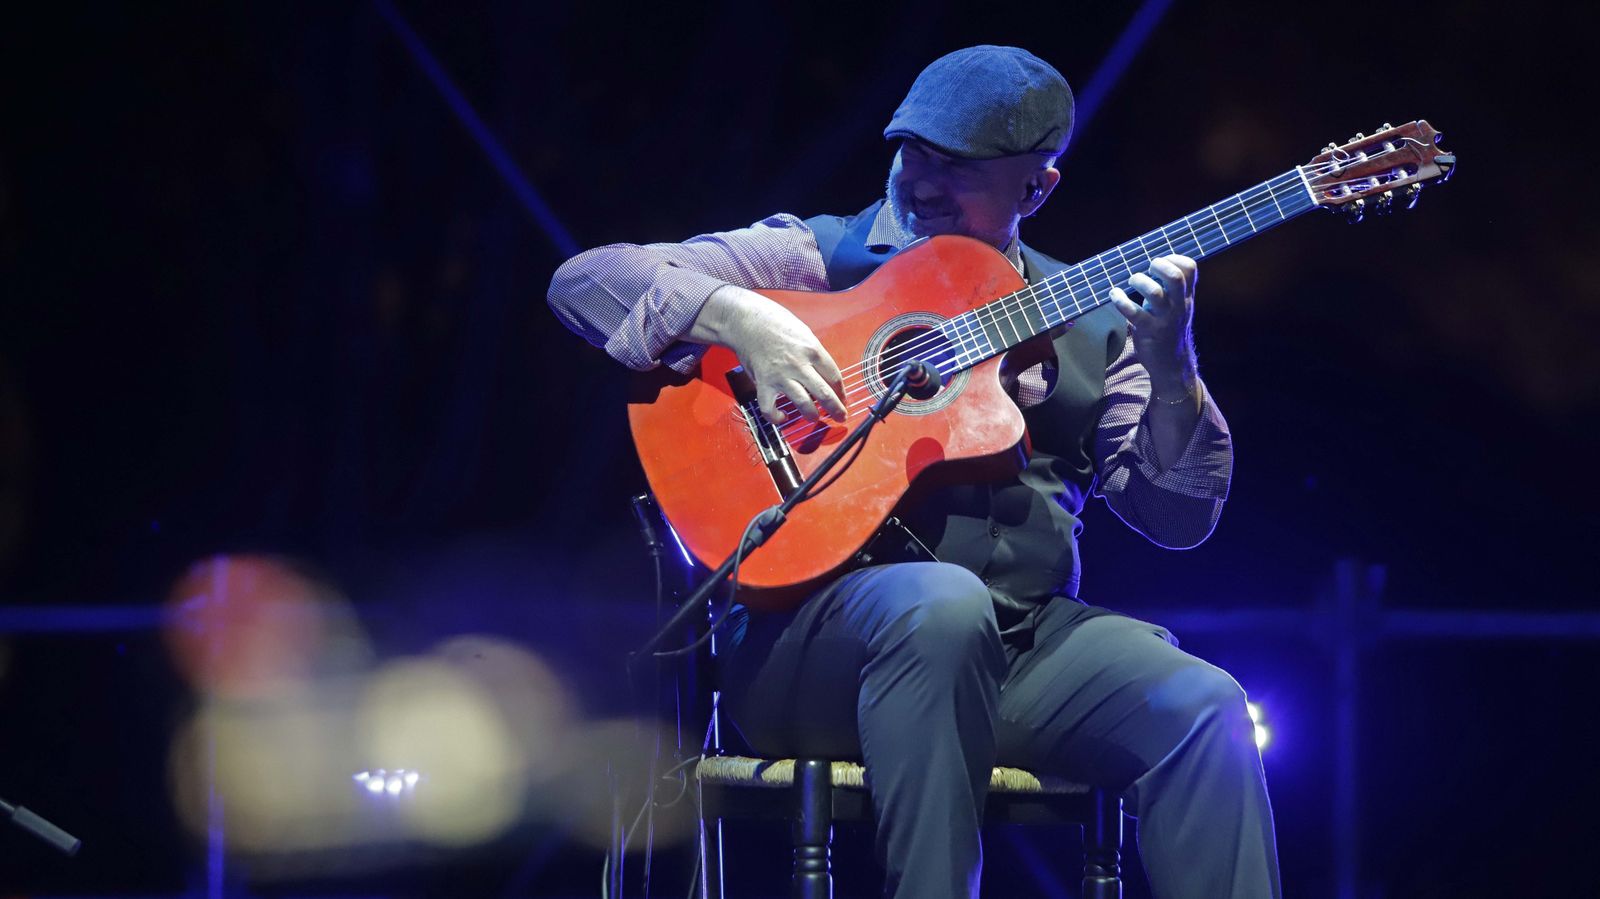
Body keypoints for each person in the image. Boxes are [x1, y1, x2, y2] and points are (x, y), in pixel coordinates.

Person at [548, 45, 1280, 899]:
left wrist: (1172, 365)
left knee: (1206, 708)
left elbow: (1181, 516)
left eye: (961, 169)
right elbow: (586, 280)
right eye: (914, 151)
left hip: (1017, 648)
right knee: (942, 607)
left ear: (1037, 190)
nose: (924, 182)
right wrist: (747, 320)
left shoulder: (1091, 317)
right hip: (814, 646)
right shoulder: (818, 259)